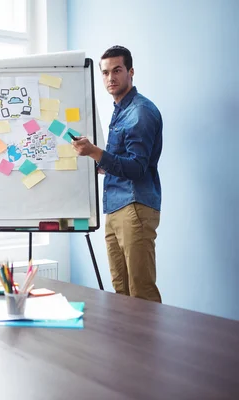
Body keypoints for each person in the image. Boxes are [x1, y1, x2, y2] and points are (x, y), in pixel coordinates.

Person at [71, 45, 163, 302]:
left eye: (117, 70)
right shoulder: (121, 110)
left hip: (134, 206)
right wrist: (100, 163)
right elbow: (122, 162)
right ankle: (127, 343)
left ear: (130, 72)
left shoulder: (139, 112)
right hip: (115, 207)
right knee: (121, 291)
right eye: (105, 72)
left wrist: (94, 152)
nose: (110, 78)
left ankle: (149, 344)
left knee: (140, 290)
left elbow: (136, 167)